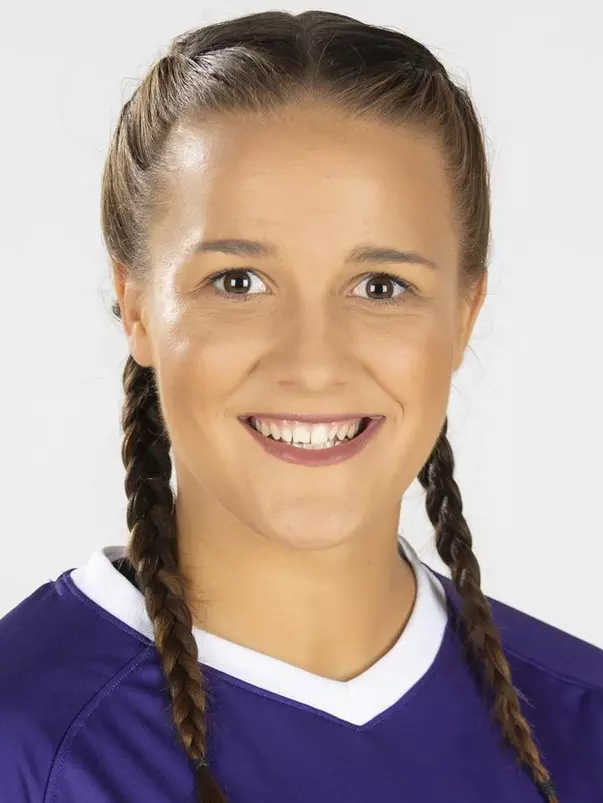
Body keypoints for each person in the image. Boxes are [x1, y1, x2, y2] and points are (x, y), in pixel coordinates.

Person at [1, 9, 601, 803]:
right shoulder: (25, 744)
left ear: (464, 314)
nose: (312, 364)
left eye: (380, 286)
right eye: (237, 282)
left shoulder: (583, 725)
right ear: (136, 305)